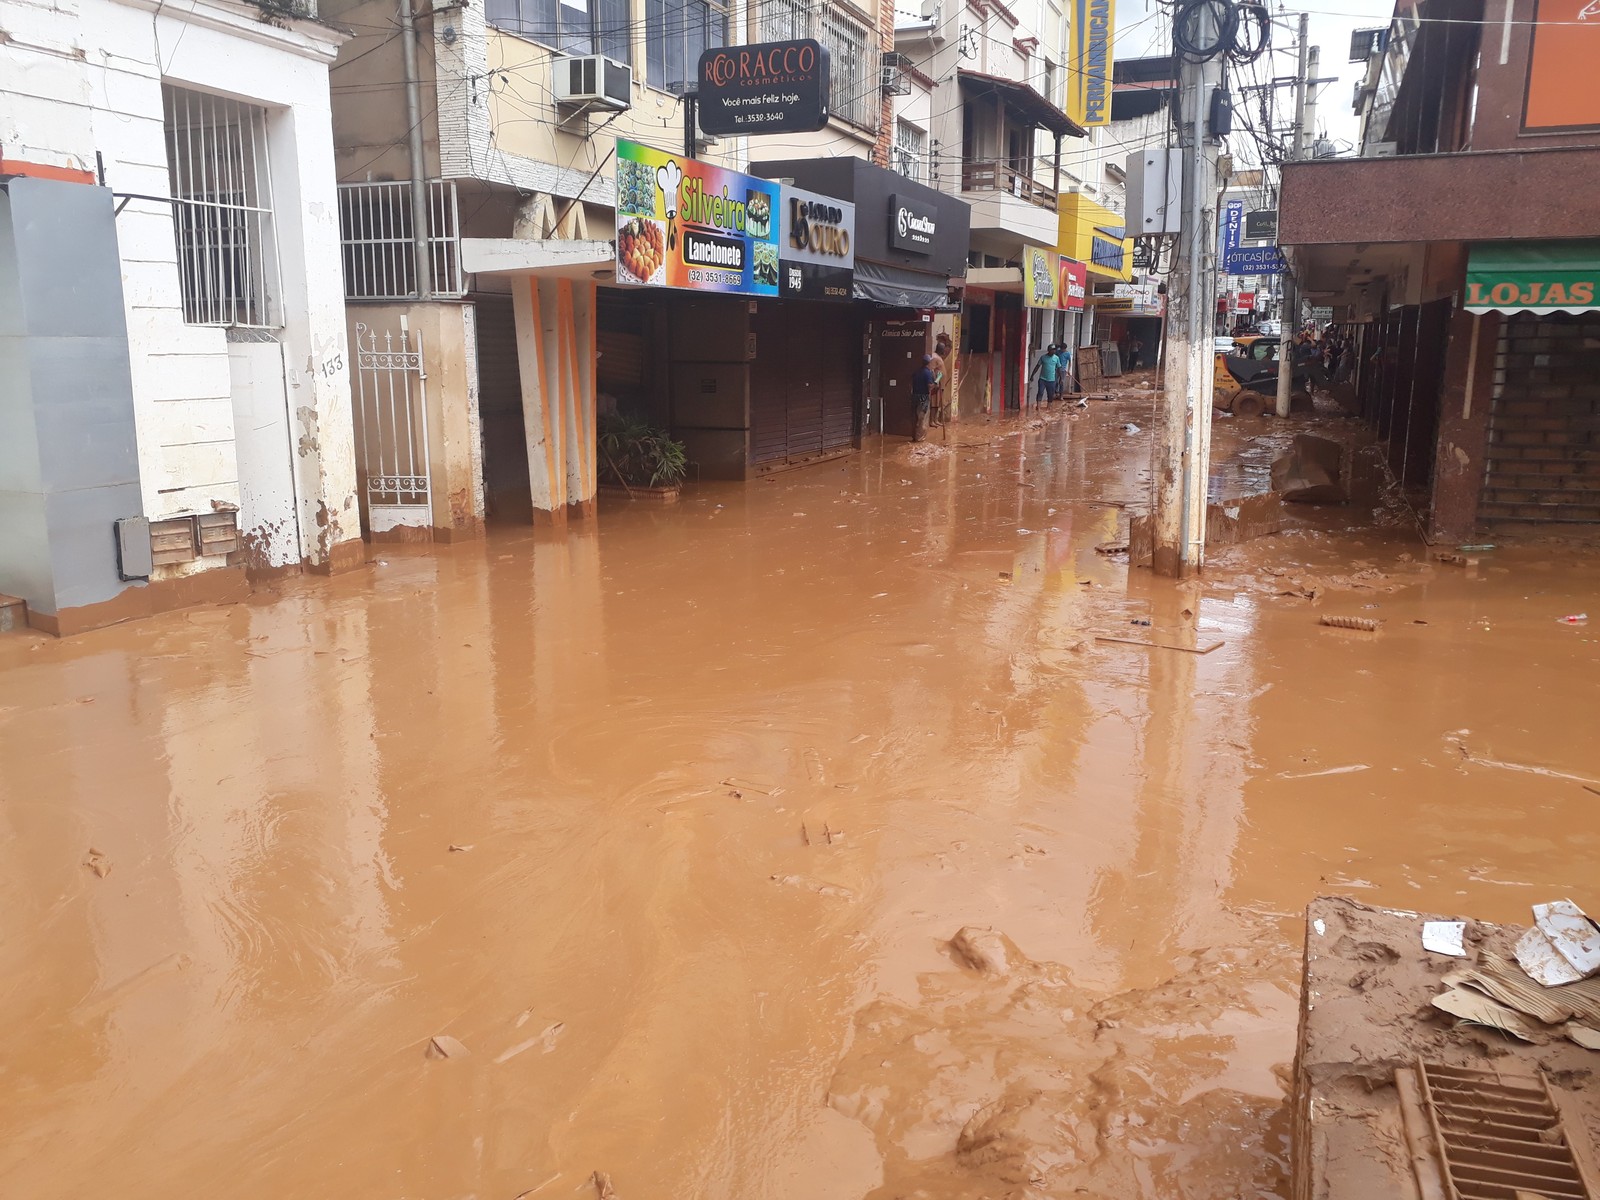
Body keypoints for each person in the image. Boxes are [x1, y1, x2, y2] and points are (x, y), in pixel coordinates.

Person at [911, 354, 935, 442]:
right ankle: (920, 438)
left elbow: (911, 383)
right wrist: (937, 381)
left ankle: (914, 436)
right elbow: (930, 386)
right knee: (922, 418)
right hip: (923, 397)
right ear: (929, 363)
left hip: (914, 396)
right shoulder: (927, 373)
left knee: (915, 416)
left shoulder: (917, 371)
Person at [929, 332, 951, 426]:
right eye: (943, 349)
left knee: (937, 403)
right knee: (934, 403)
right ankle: (931, 421)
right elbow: (932, 370)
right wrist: (936, 382)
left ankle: (936, 420)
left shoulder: (939, 357)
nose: (944, 351)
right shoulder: (934, 357)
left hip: (940, 384)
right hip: (936, 384)